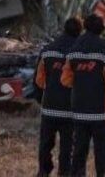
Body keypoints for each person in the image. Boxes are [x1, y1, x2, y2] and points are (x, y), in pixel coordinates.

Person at [60, 14, 105, 177]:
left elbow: (65, 80)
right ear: (102, 29)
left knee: (78, 150)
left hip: (79, 110)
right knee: (102, 152)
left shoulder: (72, 54)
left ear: (85, 27)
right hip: (101, 112)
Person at [34, 17, 83, 177]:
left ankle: (43, 171)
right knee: (68, 145)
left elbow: (38, 81)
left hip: (50, 107)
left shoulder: (47, 51)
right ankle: (64, 172)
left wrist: (41, 99)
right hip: (71, 109)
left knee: (46, 144)